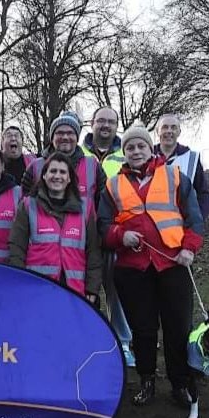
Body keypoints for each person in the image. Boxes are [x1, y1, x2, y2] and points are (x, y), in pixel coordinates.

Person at [98, 122, 203, 407]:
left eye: (140, 146)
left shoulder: (174, 176)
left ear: (150, 148)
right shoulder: (112, 184)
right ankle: (147, 380)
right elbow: (103, 226)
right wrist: (120, 235)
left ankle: (180, 383)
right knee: (142, 329)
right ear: (124, 152)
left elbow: (194, 219)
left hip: (173, 264)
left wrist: (189, 249)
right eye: (130, 147)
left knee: (177, 326)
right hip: (133, 268)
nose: (135, 151)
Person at [8, 152, 103, 301]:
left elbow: (93, 251)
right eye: (53, 171)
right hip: (37, 290)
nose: (57, 176)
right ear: (44, 176)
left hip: (75, 292)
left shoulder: (85, 208)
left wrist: (92, 288)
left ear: (69, 178)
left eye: (63, 172)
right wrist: (21, 281)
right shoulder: (28, 206)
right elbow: (16, 248)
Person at [80, 106, 134, 366]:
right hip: (82, 236)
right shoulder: (78, 152)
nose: (105, 125)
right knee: (85, 291)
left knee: (118, 293)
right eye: (101, 120)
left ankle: (123, 342)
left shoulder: (127, 154)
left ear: (116, 125)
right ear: (92, 123)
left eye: (111, 122)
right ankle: (88, 340)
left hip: (115, 235)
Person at [21, 111, 106, 210]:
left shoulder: (93, 166)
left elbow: (104, 205)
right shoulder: (35, 166)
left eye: (70, 133)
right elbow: (24, 203)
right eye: (60, 133)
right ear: (52, 138)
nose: (65, 137)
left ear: (77, 138)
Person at [154, 113, 209, 220]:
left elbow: (203, 193)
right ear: (157, 131)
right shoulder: (146, 156)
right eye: (165, 127)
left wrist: (199, 219)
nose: (169, 131)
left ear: (179, 132)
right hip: (152, 223)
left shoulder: (192, 158)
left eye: (173, 127)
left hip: (183, 223)